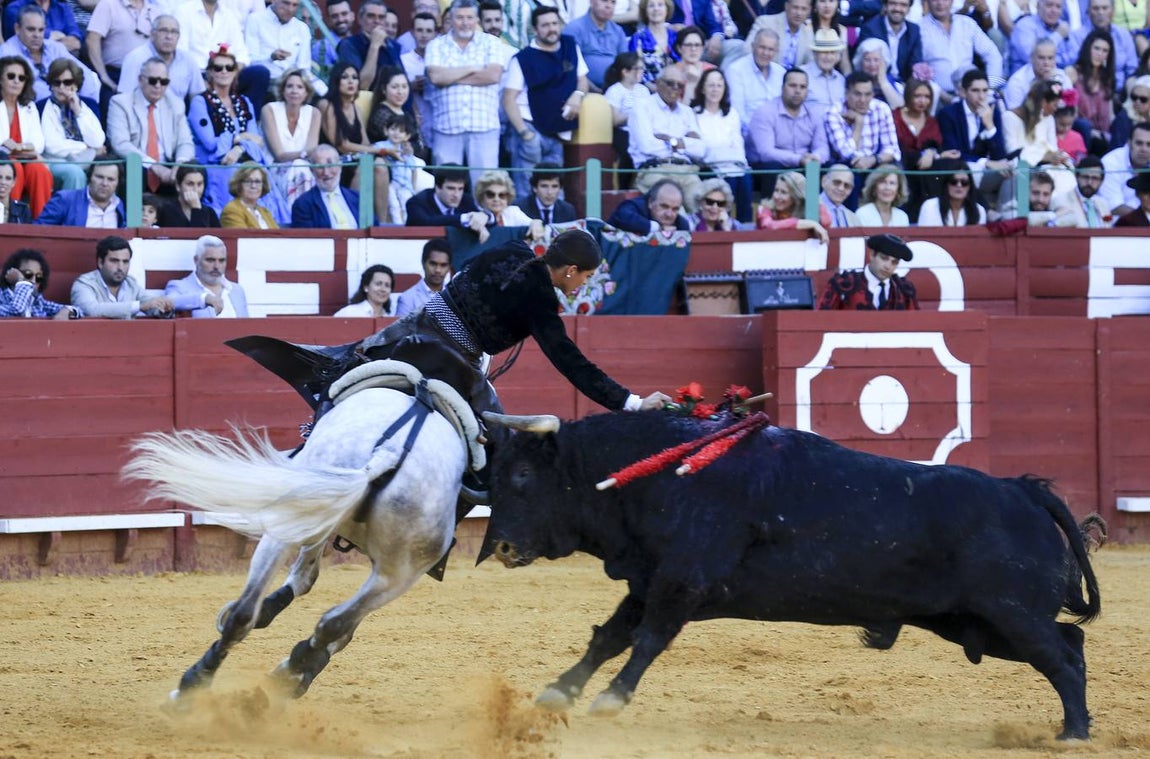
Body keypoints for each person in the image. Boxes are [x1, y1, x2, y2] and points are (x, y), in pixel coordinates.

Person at [502, 6, 590, 200]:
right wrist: (525, 134)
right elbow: (508, 99)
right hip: (530, 129)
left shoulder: (570, 45)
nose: (551, 29)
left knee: (554, 193)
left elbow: (582, 80)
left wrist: (577, 95)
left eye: (554, 23)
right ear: (535, 29)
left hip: (557, 132)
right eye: (545, 25)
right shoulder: (523, 58)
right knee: (526, 192)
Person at [189, 44, 282, 216]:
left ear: (235, 72)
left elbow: (257, 141)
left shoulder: (244, 102)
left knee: (260, 174)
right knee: (238, 174)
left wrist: (238, 148)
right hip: (215, 165)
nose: (224, 71)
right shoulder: (200, 102)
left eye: (229, 67)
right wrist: (242, 137)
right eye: (218, 68)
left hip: (243, 161)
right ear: (209, 73)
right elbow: (210, 144)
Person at [425, 0, 505, 183]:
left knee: (486, 185)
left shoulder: (491, 42)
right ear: (450, 19)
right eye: (460, 17)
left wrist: (451, 77)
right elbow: (436, 77)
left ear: (477, 19)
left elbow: (493, 75)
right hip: (447, 126)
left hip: (484, 126)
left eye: (470, 17)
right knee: (445, 184)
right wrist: (473, 68)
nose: (465, 22)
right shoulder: (436, 45)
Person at [106, 57, 195, 194]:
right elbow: (120, 143)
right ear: (140, 80)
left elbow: (186, 142)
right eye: (153, 81)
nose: (158, 86)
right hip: (137, 165)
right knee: (134, 170)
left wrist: (180, 164)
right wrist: (152, 165)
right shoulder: (120, 103)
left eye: (164, 82)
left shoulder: (176, 104)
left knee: (192, 174)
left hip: (168, 165)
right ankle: (134, 209)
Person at [320, 62, 392, 223]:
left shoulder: (356, 108)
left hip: (356, 157)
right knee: (365, 166)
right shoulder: (326, 104)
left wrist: (384, 152)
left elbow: (365, 142)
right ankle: (355, 219)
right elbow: (341, 144)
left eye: (354, 77)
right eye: (345, 77)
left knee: (380, 165)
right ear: (336, 81)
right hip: (334, 160)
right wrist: (379, 151)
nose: (351, 81)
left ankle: (381, 224)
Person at [747, 67, 828, 195]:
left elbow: (822, 147)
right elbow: (766, 152)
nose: (798, 91)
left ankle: (813, 207)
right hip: (768, 166)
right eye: (792, 86)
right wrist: (799, 159)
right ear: (782, 88)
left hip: (803, 164)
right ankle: (769, 207)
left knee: (822, 168)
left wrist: (815, 158)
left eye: (802, 87)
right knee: (772, 168)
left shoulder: (813, 113)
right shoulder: (765, 112)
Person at [69, 235, 187, 319]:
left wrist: (163, 308)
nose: (121, 267)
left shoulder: (131, 283)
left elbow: (149, 303)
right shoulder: (84, 284)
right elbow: (91, 310)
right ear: (100, 262)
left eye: (125, 262)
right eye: (114, 261)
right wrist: (138, 306)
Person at [0, 5, 100, 104]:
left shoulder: (54, 47)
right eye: (31, 29)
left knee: (93, 78)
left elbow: (84, 74)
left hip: (67, 103)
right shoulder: (7, 52)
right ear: (17, 28)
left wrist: (84, 105)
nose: (37, 35)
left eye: (41, 30)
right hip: (30, 108)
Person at [938, 68, 1011, 199]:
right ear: (963, 92)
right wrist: (985, 163)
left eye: (985, 90)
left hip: (986, 170)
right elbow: (954, 152)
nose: (981, 96)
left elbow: (1000, 156)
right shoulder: (948, 114)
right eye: (975, 90)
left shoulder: (993, 111)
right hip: (962, 169)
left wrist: (990, 126)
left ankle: (1007, 210)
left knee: (1015, 172)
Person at [893, 77, 959, 219]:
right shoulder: (895, 117)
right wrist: (925, 155)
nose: (922, 101)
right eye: (917, 96)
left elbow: (935, 146)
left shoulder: (931, 121)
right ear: (908, 96)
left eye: (927, 97)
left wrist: (932, 153)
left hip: (927, 169)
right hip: (903, 164)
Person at [691, 68, 751, 221]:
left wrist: (722, 153)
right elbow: (701, 149)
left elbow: (737, 145)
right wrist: (721, 153)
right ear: (703, 88)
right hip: (708, 166)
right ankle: (723, 224)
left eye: (719, 85)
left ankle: (745, 226)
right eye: (711, 85)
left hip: (733, 164)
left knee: (745, 179)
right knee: (727, 182)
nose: (715, 90)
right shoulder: (694, 114)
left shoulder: (732, 114)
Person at [39, 57, 106, 191]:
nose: (61, 87)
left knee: (108, 169)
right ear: (51, 85)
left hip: (86, 159)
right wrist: (88, 148)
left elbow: (98, 141)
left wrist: (78, 112)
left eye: (67, 82)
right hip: (54, 161)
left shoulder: (88, 105)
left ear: (75, 85)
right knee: (74, 173)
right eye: (56, 83)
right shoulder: (40, 107)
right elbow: (52, 146)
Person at [920, 0, 1003, 105]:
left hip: (973, 93)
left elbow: (992, 55)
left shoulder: (966, 23)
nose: (940, 3)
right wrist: (941, 95)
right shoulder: (919, 28)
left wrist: (989, 89)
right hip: (939, 97)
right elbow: (918, 69)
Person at [0, 55, 53, 217]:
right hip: (5, 161)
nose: (16, 81)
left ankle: (42, 222)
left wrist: (17, 147)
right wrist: (23, 148)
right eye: (11, 76)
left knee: (39, 170)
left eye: (21, 78)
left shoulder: (29, 106)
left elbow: (38, 144)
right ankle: (11, 219)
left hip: (26, 159)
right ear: (0, 79)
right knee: (14, 167)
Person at [260, 68, 319, 209]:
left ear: (307, 92)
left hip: (304, 171)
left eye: (300, 87)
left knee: (301, 168)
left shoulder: (314, 113)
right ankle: (300, 213)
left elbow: (311, 151)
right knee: (299, 168)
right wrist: (303, 155)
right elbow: (279, 155)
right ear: (282, 90)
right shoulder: (269, 109)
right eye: (289, 86)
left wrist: (302, 156)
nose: (294, 91)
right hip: (274, 170)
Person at [1004, 79, 1075, 195]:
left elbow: (1052, 147)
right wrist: (1043, 157)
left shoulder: (1048, 118)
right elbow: (1012, 152)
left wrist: (1059, 156)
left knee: (1066, 174)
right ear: (1043, 102)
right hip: (1022, 167)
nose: (1056, 109)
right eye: (1054, 105)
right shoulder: (1010, 117)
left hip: (1045, 164)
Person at [825, 70, 901, 176]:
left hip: (875, 162)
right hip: (847, 166)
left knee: (892, 170)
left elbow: (893, 150)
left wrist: (873, 159)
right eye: (857, 94)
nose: (863, 100)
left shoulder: (881, 108)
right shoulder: (834, 112)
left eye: (868, 94)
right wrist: (858, 125)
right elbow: (845, 154)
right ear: (846, 93)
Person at [817, 232, 918, 310]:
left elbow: (915, 325)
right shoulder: (844, 283)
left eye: (894, 262)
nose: (888, 266)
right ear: (872, 255)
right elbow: (821, 319)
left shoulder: (904, 290)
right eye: (884, 258)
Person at [117, 15, 205, 102]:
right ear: (152, 34)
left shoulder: (188, 60)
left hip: (178, 111)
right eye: (163, 31)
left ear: (178, 37)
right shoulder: (135, 58)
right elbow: (124, 98)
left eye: (174, 32)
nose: (169, 36)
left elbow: (197, 96)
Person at [84, 0, 158, 101]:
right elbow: (92, 39)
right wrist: (104, 76)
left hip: (147, 78)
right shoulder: (108, 4)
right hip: (115, 76)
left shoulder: (153, 10)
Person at [244, 0, 320, 95]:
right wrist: (271, 57)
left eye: (295, 5)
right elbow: (250, 60)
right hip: (264, 82)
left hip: (292, 85)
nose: (290, 9)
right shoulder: (255, 20)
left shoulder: (302, 28)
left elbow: (304, 67)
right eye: (286, 3)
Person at [163, 235, 249, 318]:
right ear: (196, 260)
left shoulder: (237, 290)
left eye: (221, 260)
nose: (216, 266)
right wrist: (204, 299)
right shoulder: (179, 286)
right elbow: (169, 301)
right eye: (210, 260)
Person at [723, 28, 786, 133]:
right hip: (749, 133)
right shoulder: (735, 70)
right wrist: (762, 133)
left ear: (776, 51)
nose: (765, 53)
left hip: (779, 132)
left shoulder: (781, 73)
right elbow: (737, 114)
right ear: (753, 46)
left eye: (770, 49)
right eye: (762, 47)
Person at [290, 144, 364, 229]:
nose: (326, 173)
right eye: (320, 167)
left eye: (330, 165)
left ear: (340, 166)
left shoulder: (357, 198)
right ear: (312, 170)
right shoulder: (303, 204)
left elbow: (372, 228)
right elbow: (306, 236)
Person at [337, 0, 404, 91]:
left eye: (381, 17)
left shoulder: (393, 45)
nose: (377, 21)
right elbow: (361, 85)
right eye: (371, 16)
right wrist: (374, 46)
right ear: (360, 19)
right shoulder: (349, 45)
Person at [1066, 29, 1117, 149]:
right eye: (1096, 48)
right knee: (1084, 126)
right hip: (1080, 130)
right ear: (1088, 49)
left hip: (1103, 134)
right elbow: (1071, 114)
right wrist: (1093, 132)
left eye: (1105, 51)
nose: (1100, 54)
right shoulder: (1072, 73)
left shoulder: (1107, 78)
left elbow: (1110, 115)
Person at [374, 111, 426, 225]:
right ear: (386, 130)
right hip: (391, 183)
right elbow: (372, 153)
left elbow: (413, 170)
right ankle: (397, 228)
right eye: (393, 129)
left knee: (407, 205)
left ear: (407, 136)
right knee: (394, 206)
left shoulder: (406, 151)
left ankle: (407, 227)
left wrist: (412, 187)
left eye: (401, 131)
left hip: (405, 185)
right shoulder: (381, 146)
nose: (396, 133)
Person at [35, 162, 125, 227]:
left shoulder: (120, 205)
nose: (104, 183)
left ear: (118, 183)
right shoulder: (64, 199)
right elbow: (39, 231)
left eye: (111, 179)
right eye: (99, 177)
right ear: (89, 177)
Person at [566, 0, 629, 91]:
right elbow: (570, 66)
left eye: (613, 2)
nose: (609, 6)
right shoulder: (574, 28)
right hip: (583, 90)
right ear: (591, 2)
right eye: (604, 1)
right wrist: (594, 89)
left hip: (615, 91)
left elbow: (626, 64)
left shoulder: (618, 31)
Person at [604, 51, 651, 172]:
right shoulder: (615, 91)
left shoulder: (643, 90)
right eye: (638, 68)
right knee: (629, 151)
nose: (642, 72)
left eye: (642, 68)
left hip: (644, 130)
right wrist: (635, 112)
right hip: (624, 132)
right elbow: (615, 120)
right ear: (625, 71)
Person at [0, 248, 80, 319]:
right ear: (12, 273)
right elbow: (17, 310)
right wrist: (21, 281)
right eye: (28, 274)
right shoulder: (1, 297)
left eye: (39, 277)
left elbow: (78, 310)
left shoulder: (37, 301)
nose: (33, 281)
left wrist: (67, 311)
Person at [755, 169, 831, 241]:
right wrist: (811, 223)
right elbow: (769, 226)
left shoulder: (804, 209)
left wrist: (815, 200)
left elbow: (826, 222)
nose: (777, 196)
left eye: (783, 192)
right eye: (776, 190)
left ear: (796, 196)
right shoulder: (764, 208)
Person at [470, 169, 544, 243]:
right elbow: (468, 219)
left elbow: (532, 223)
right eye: (490, 195)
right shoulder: (477, 215)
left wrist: (536, 223)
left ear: (508, 197)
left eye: (502, 195)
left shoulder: (512, 212)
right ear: (481, 197)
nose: (496, 199)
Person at [857, 0, 923, 83]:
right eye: (893, 3)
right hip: (877, 82)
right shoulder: (870, 28)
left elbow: (915, 62)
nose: (897, 8)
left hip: (904, 84)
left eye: (903, 5)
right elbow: (867, 65)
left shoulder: (913, 30)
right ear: (885, 6)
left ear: (909, 9)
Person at [366, 66, 424, 157]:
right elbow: (396, 142)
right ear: (384, 89)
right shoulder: (381, 113)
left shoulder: (406, 113)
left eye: (404, 86)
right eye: (394, 87)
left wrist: (412, 148)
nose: (400, 92)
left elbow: (418, 143)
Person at [1004, 39, 1073, 110]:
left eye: (1050, 58)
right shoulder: (1017, 82)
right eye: (1041, 58)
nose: (1046, 63)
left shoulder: (1063, 77)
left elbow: (1068, 110)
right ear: (1031, 58)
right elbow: (1014, 114)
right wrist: (1045, 84)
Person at [1007, 0, 1071, 76]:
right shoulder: (1024, 25)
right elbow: (1032, 57)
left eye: (1058, 7)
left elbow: (1073, 56)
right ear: (1038, 6)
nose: (1054, 10)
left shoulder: (1062, 26)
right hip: (1028, 78)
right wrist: (1058, 35)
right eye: (1049, 5)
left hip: (1059, 76)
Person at [1099, 120, 1150, 214]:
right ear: (1129, 143)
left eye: (1149, 144)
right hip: (1118, 221)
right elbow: (1115, 207)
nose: (1144, 149)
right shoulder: (1111, 163)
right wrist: (1145, 218)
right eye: (1139, 143)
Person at [608, 177, 691, 233]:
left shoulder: (681, 224)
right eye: (664, 206)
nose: (669, 214)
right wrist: (658, 228)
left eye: (675, 209)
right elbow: (622, 216)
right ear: (650, 202)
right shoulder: (635, 207)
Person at [405, 164, 481, 226]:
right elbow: (426, 222)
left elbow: (479, 218)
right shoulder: (416, 203)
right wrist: (465, 218)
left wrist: (484, 218)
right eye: (451, 188)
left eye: (460, 189)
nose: (456, 195)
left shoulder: (466, 200)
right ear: (437, 188)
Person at [917, 159, 988, 224]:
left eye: (964, 182)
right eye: (953, 181)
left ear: (970, 186)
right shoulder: (929, 207)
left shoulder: (979, 211)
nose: (959, 185)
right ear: (946, 184)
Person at [749, 0, 813, 71]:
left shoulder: (809, 34)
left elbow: (811, 63)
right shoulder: (765, 22)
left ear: (809, 10)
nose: (799, 13)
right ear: (786, 6)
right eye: (795, 7)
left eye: (804, 9)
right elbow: (747, 50)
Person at [1050, 153, 1112, 225]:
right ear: (1077, 177)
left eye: (1095, 178)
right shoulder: (1061, 201)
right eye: (1085, 177)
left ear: (1101, 181)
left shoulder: (1103, 204)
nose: (1089, 182)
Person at [395, 237, 451, 316]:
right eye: (433, 264)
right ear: (423, 263)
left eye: (443, 265)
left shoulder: (454, 296)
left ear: (449, 267)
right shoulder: (407, 299)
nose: (438, 270)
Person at [630, 0, 678, 87]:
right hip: (647, 89)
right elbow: (633, 69)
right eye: (651, 6)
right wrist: (652, 87)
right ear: (645, 11)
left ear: (667, 10)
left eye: (660, 5)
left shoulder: (676, 37)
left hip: (676, 87)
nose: (656, 9)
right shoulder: (637, 38)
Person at [799, 27, 846, 111]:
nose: (828, 57)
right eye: (824, 52)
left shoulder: (841, 79)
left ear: (837, 56)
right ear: (814, 54)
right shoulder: (801, 75)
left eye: (832, 52)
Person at [220, 162, 279, 229]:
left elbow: (279, 234)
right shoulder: (232, 210)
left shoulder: (265, 212)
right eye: (248, 181)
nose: (253, 186)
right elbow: (242, 235)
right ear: (238, 184)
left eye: (257, 182)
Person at [853, 38, 904, 108]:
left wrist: (883, 82)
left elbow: (899, 109)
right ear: (860, 62)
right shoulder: (853, 83)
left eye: (876, 60)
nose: (872, 64)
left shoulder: (895, 84)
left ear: (885, 62)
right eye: (867, 60)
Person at [669, 26, 715, 100]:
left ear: (703, 48)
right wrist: (690, 84)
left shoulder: (712, 71)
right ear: (679, 48)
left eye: (697, 45)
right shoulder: (671, 74)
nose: (693, 49)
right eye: (688, 45)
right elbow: (675, 107)